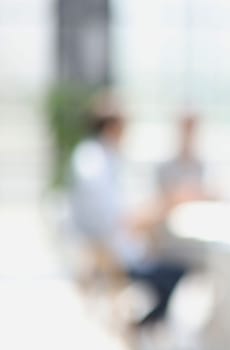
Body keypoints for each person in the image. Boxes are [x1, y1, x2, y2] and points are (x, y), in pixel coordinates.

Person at [68, 92, 185, 328]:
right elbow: (109, 217)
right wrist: (146, 216)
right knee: (178, 271)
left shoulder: (102, 159)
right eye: (125, 126)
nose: (127, 134)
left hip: (117, 248)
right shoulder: (93, 163)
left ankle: (148, 324)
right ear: (112, 127)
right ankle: (147, 325)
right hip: (115, 255)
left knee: (172, 265)